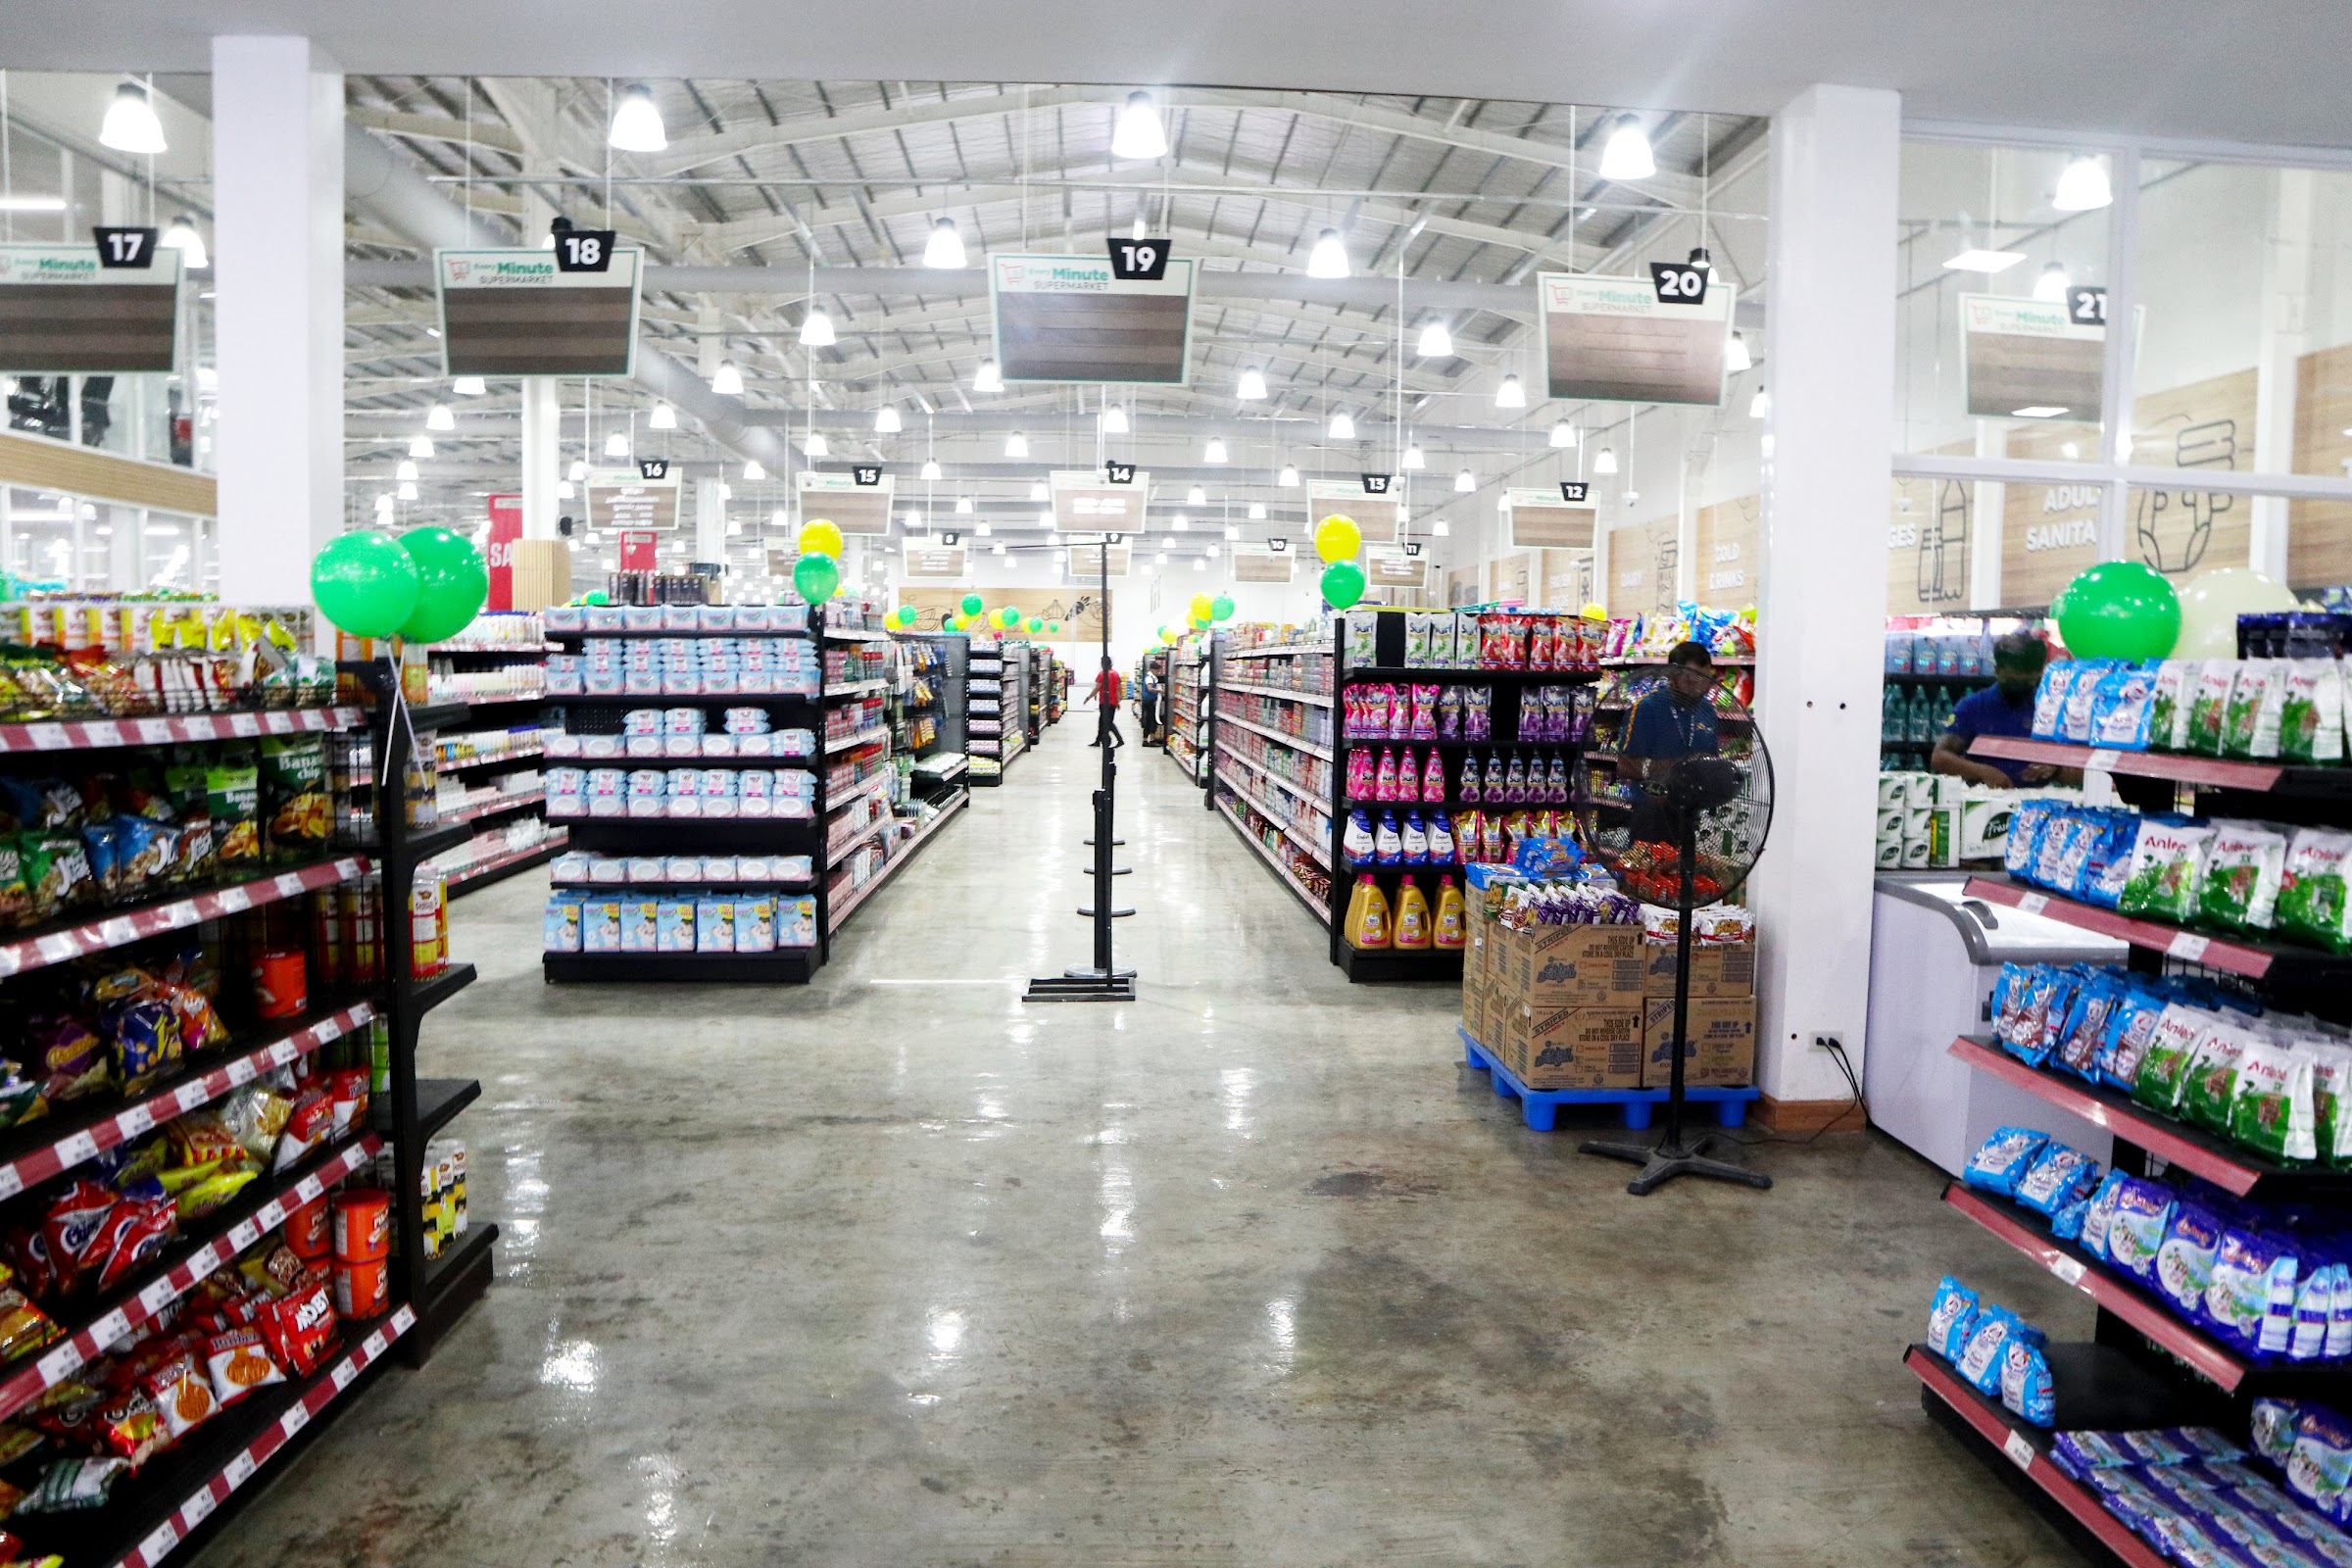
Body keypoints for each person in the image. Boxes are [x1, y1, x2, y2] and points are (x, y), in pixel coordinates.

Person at [1931, 631, 2077, 788]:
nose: (2020, 688)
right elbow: (1940, 757)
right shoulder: (1973, 706)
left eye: (2029, 681)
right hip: (1986, 800)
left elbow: (2079, 766)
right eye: (2013, 681)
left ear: (2041, 672)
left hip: (2040, 802)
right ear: (1997, 670)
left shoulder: (2053, 707)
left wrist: (2055, 768)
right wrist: (1982, 771)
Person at [1619, 641, 1724, 846]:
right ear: (1673, 675)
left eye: (1706, 678)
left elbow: (1710, 759)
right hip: (1651, 815)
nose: (1701, 685)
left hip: (1692, 817)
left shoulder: (1708, 711)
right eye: (1693, 677)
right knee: (1647, 876)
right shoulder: (1647, 708)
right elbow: (1625, 765)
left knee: (1689, 875)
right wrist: (1676, 768)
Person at [1084, 659, 1125, 748]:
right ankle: (1098, 740)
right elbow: (1119, 688)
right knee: (1102, 721)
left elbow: (1097, 688)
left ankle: (1120, 740)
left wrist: (1089, 697)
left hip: (1104, 701)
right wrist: (1118, 700)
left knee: (1107, 722)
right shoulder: (1115, 674)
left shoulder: (1102, 674)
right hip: (1113, 702)